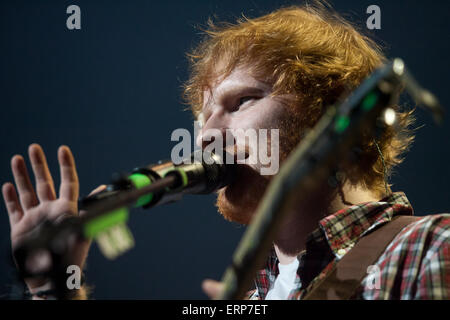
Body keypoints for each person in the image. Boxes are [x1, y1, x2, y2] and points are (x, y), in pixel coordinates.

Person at [2, 4, 449, 300]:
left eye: (242, 102)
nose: (206, 135)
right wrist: (54, 289)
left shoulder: (432, 249)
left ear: (336, 113)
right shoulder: (248, 296)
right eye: (201, 116)